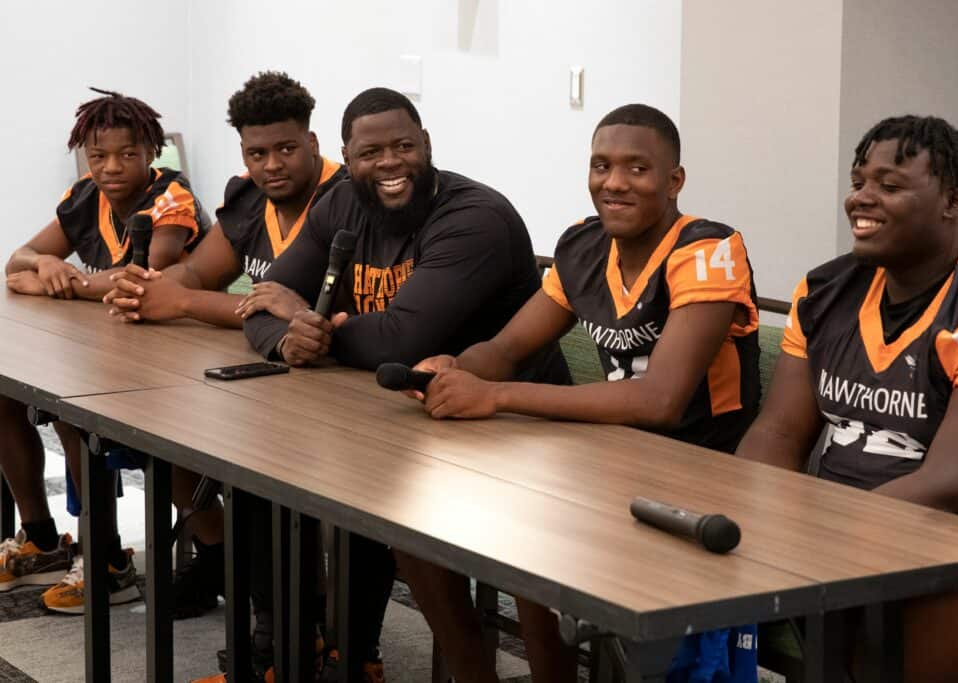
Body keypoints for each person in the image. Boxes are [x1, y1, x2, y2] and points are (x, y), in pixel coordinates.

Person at [397, 104, 761, 682]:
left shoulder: (708, 250)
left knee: (537, 540)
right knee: (420, 521)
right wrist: (453, 370)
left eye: (637, 169)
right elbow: (508, 348)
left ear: (674, 181)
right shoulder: (583, 245)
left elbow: (659, 401)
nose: (613, 182)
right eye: (601, 166)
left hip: (701, 477)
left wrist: (495, 396)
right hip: (615, 462)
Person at [239, 86, 568, 683]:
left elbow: (402, 339)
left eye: (404, 147)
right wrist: (288, 339)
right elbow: (264, 302)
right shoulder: (339, 206)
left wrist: (312, 325)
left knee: (506, 571)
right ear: (346, 158)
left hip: (519, 430)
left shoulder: (474, 218)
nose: (390, 163)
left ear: (427, 145)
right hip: (410, 418)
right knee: (276, 470)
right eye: (371, 153)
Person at [735, 115, 958, 682]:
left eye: (889, 185)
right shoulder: (824, 290)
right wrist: (749, 519)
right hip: (836, 546)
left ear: (953, 201)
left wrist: (813, 540)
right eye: (859, 182)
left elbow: (954, 485)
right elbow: (778, 434)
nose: (860, 199)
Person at [103, 72, 345, 626]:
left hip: (330, 379)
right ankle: (219, 556)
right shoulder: (250, 197)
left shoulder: (345, 200)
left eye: (286, 149)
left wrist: (183, 302)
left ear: (312, 142)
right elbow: (195, 273)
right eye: (257, 153)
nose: (272, 165)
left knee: (260, 472)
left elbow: (294, 311)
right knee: (158, 422)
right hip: (264, 371)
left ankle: (288, 626)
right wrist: (145, 289)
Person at [1, 89, 207, 614]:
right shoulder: (84, 196)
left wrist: (61, 280)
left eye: (127, 154)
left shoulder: (171, 196)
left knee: (75, 412)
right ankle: (42, 540)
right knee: (8, 399)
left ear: (150, 152)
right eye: (99, 156)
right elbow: (17, 262)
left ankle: (110, 562)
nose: (111, 168)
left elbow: (145, 276)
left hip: (180, 356)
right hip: (113, 343)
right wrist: (45, 265)